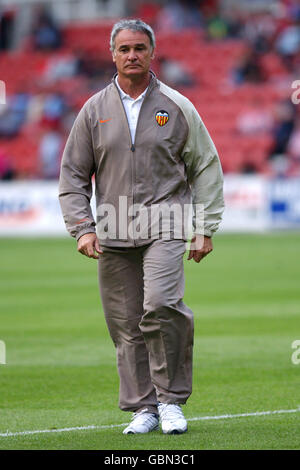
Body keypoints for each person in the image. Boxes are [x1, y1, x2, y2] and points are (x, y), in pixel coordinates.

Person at [59, 19, 224, 435]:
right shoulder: (93, 110)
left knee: (163, 306)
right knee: (125, 323)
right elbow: (73, 175)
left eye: (139, 48)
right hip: (112, 230)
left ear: (153, 53)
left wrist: (204, 227)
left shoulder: (178, 105)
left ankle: (170, 402)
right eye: (124, 49)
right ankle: (142, 408)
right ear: (112, 54)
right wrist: (82, 227)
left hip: (167, 224)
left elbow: (205, 166)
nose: (132, 55)